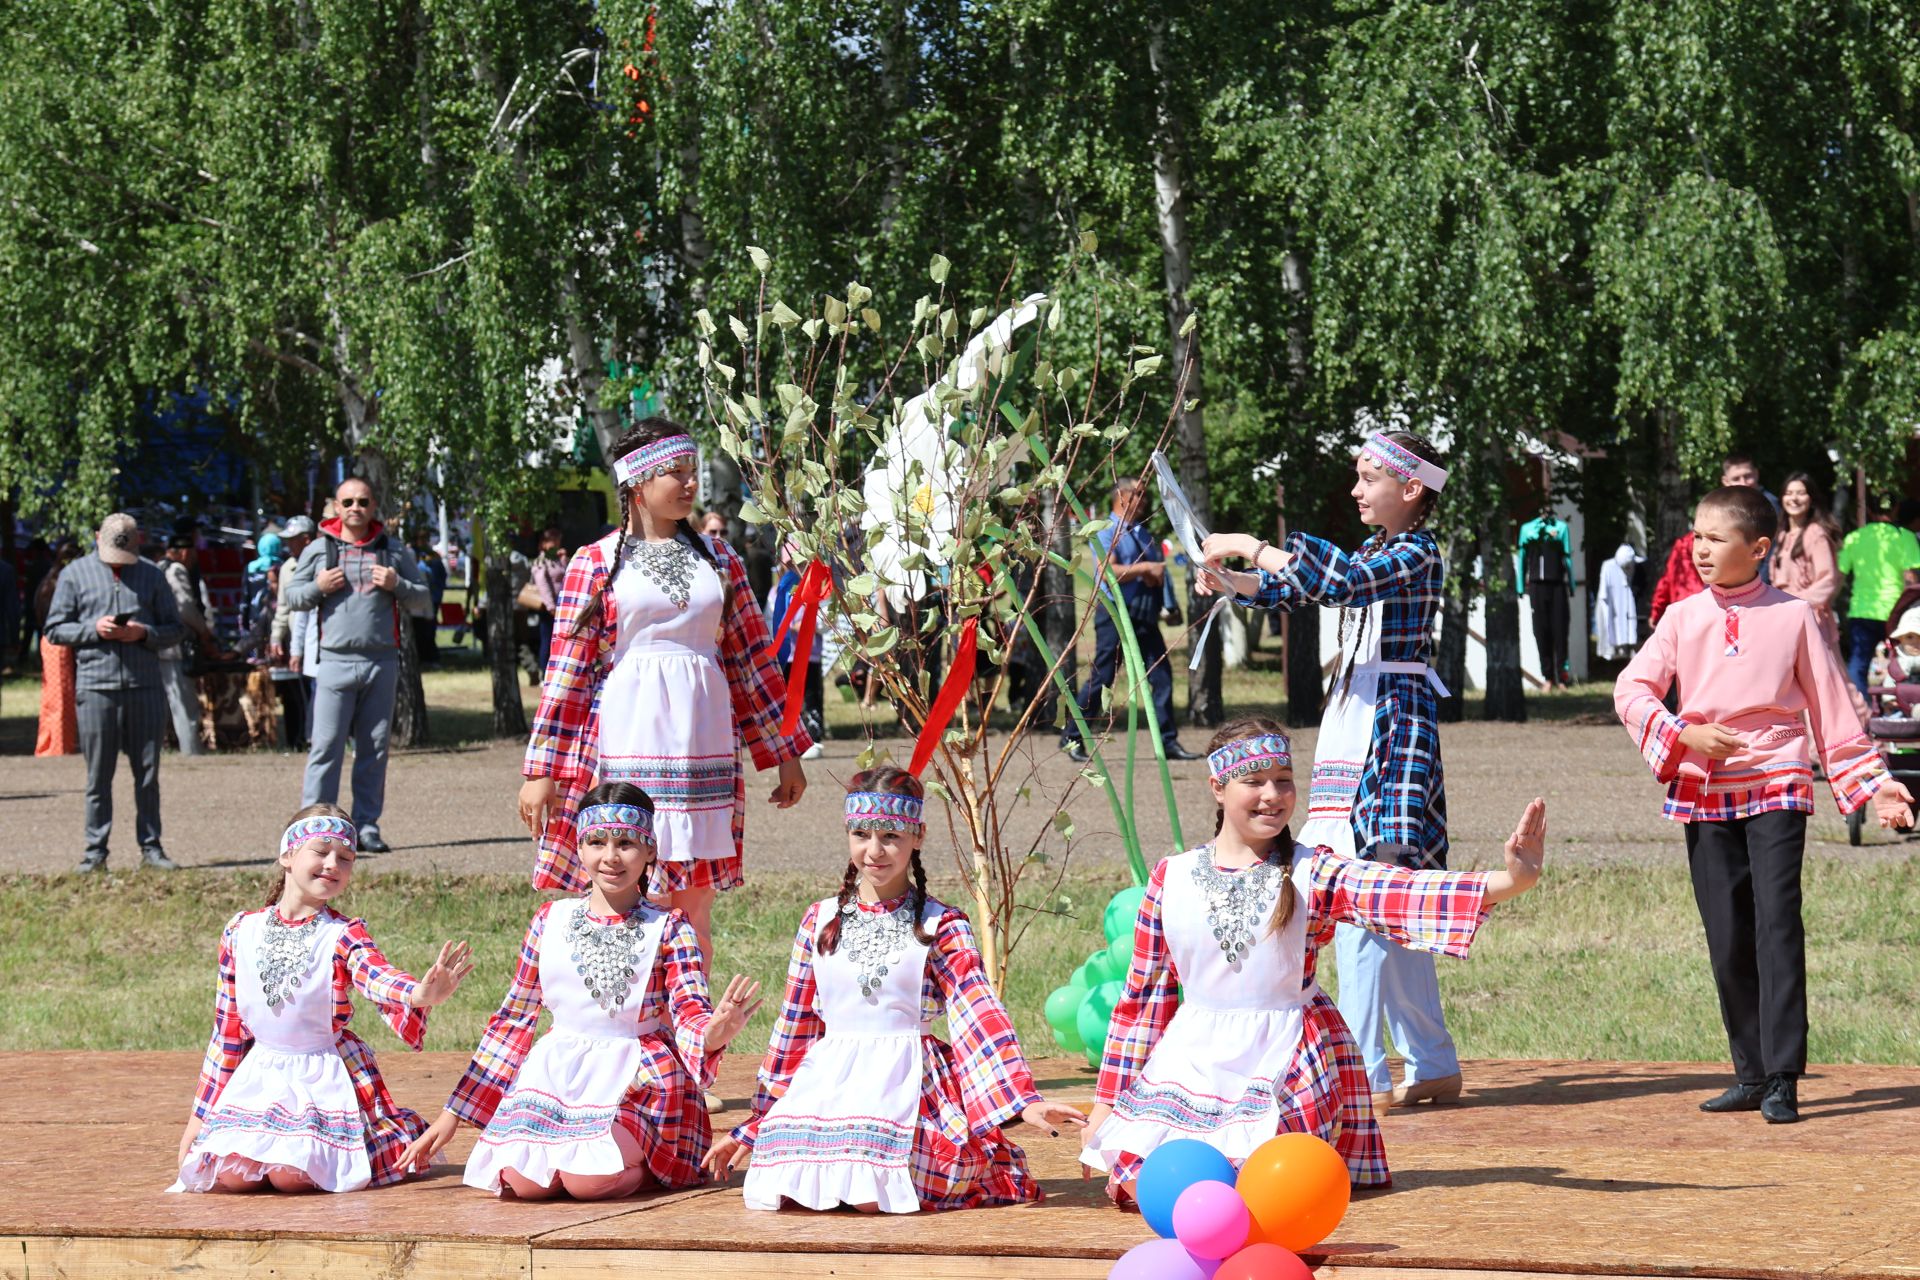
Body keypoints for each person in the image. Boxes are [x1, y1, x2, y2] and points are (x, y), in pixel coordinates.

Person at [1079, 719, 1545, 1199]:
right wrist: (1107, 1101)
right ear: (1217, 787)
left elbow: (1395, 891)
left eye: (1284, 779)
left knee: (1262, 1187)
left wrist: (1509, 882)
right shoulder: (1171, 877)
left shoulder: (1311, 870)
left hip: (1287, 1056)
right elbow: (1142, 999)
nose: (1273, 794)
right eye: (1254, 781)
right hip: (1191, 1057)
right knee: (1146, 1186)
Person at [1614, 485, 1914, 1124]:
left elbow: (1833, 707)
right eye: (1696, 535)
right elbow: (1631, 688)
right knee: (1726, 933)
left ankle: (1782, 1076)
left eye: (1716, 538)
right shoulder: (1681, 618)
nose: (1701, 549)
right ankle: (1748, 1072)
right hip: (1704, 787)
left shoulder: (1795, 615)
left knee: (1777, 925)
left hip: (1777, 780)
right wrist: (1680, 732)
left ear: (1757, 548)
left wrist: (1876, 785)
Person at [1201, 430, 1461, 1113]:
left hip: (1394, 729)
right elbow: (1306, 588)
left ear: (1411, 490)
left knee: (1370, 899)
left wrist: (1249, 544)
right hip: (1358, 720)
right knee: (1380, 900)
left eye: (1369, 476)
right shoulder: (1378, 549)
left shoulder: (1414, 550)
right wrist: (1237, 581)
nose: (1356, 489)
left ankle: (1369, 1070)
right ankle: (1429, 1061)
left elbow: (1337, 580)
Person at [707, 767, 1085, 1212]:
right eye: (862, 834)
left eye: (891, 836)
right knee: (793, 1189)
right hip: (829, 1083)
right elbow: (795, 1028)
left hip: (909, 1080)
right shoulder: (819, 920)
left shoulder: (940, 924)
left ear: (918, 836)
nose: (874, 850)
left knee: (871, 1195)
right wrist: (758, 1122)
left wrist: (1022, 1102)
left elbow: (979, 1014)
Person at [515, 417, 811, 964]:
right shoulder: (597, 562)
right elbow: (566, 674)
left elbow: (752, 663)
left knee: (694, 901)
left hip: (702, 742)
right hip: (628, 735)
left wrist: (785, 753)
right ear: (637, 482)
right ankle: (630, 1025)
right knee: (630, 887)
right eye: (675, 472)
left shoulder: (720, 561)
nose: (690, 483)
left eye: (692, 471)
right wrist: (542, 772)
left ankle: (691, 1032)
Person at [399, 783, 761, 1199]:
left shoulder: (670, 928)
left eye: (626, 843)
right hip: (558, 1073)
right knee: (524, 1182)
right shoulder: (550, 919)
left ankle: (652, 1167)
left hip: (638, 1078)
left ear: (649, 852)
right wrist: (452, 1115)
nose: (610, 856)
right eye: (597, 842)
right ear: (579, 848)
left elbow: (690, 1012)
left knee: (589, 1180)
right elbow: (514, 1019)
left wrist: (716, 1032)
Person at [171, 806, 474, 1192]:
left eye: (346, 858)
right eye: (322, 851)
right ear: (287, 856)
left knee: (291, 1176)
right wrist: (199, 1118)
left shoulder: (343, 934)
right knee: (233, 1176)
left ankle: (376, 1137)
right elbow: (227, 1033)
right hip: (259, 1076)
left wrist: (418, 993)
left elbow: (375, 975)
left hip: (322, 1076)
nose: (333, 863)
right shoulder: (241, 930)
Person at [282, 479, 430, 854]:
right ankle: (315, 829)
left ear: (374, 505)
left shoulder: (392, 549)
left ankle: (366, 827)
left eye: (363, 501)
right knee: (325, 748)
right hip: (334, 661)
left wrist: (398, 585)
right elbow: (293, 597)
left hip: (381, 661)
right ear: (336, 505)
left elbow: (424, 599)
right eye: (348, 501)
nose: (355, 508)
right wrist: (317, 586)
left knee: (374, 750)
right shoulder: (319, 549)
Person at [44, 514, 185, 872]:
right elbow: (55, 629)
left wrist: (143, 633)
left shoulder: (153, 574)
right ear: (96, 537)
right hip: (95, 689)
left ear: (138, 540)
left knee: (148, 776)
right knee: (97, 777)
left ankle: (152, 849)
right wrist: (93, 629)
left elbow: (175, 629)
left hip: (145, 688)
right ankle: (95, 853)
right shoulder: (74, 574)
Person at [1061, 478, 1197, 764]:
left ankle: (1168, 742)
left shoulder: (1142, 533)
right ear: (1120, 497)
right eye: (1136, 494)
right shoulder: (1106, 530)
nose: (1143, 499)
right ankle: (1073, 737)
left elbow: (1151, 572)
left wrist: (1160, 590)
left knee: (1161, 676)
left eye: (1143, 494)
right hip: (1114, 614)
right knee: (1103, 677)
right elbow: (1106, 572)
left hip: (1144, 614)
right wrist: (1146, 567)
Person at [1838, 495, 1920, 697]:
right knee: (1901, 660)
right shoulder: (1905, 537)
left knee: (1859, 662)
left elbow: (1839, 574)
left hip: (1861, 611)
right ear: (1895, 509)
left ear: (1870, 511)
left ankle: (1861, 712)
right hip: (1894, 612)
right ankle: (1896, 709)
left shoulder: (1855, 537)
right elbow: (1910, 578)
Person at [160, 532, 227, 756]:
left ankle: (164, 748)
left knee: (163, 704)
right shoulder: (176, 570)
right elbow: (186, 606)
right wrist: (204, 631)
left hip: (157, 645)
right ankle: (191, 751)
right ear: (185, 552)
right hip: (175, 646)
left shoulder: (155, 567)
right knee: (184, 705)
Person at [765, 539, 827, 760]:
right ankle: (787, 739)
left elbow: (825, 621)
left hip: (810, 655)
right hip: (786, 656)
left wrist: (802, 625)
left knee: (812, 696)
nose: (795, 568)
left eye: (800, 563)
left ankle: (814, 738)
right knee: (787, 698)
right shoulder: (777, 592)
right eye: (790, 563)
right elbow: (772, 619)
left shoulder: (817, 589)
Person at [1516, 506, 1575, 688]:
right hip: (1536, 586)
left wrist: (1571, 584)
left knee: (1560, 631)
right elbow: (1522, 558)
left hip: (1557, 585)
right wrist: (1520, 586)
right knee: (1541, 631)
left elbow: (1567, 557)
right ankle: (1547, 676)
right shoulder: (1527, 529)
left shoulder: (1561, 528)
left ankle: (1562, 676)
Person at [34, 540, 82, 757]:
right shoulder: (61, 583)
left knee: (52, 697)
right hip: (59, 644)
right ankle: (59, 745)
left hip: (50, 642)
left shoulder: (50, 580)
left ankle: (49, 744)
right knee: (61, 696)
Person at [1593, 543, 1642, 661]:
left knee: (1631, 634)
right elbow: (1603, 595)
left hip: (1631, 609)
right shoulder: (1608, 567)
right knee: (1617, 633)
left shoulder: (1636, 566)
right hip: (1615, 610)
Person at [529, 526, 567, 677]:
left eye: (558, 542)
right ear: (544, 543)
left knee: (560, 641)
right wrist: (551, 607)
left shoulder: (556, 560)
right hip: (548, 609)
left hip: (561, 606)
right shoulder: (540, 561)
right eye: (553, 542)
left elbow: (566, 576)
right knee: (547, 640)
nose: (556, 545)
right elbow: (542, 584)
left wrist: (564, 559)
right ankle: (544, 673)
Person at [411, 527, 447, 669]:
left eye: (425, 538)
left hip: (431, 598)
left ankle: (431, 658)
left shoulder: (433, 556)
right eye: (420, 538)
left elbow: (440, 577)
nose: (423, 541)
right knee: (418, 629)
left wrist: (436, 595)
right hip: (415, 599)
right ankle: (421, 657)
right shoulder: (411, 553)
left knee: (429, 629)